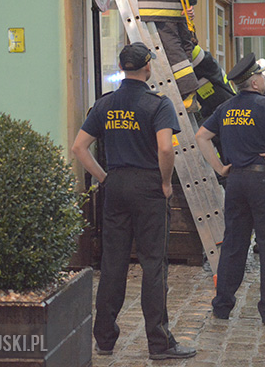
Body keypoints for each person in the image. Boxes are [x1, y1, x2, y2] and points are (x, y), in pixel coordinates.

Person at [71, 42, 196, 360]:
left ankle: (104, 339)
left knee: (113, 264)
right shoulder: (158, 104)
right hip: (148, 186)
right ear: (147, 67)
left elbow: (79, 148)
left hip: (116, 185)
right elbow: (166, 149)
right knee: (153, 263)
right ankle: (159, 341)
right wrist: (166, 182)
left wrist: (104, 178)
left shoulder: (105, 104)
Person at [195, 53, 265, 325]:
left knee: (233, 244)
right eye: (261, 76)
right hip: (263, 181)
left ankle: (222, 305)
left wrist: (219, 167)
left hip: (237, 181)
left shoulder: (226, 108)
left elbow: (201, 136)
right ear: (253, 81)